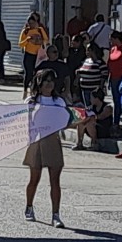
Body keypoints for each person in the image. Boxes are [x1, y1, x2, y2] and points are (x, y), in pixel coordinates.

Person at [23, 69, 68, 228]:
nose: (49, 83)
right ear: (39, 83)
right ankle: (29, 207)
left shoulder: (59, 102)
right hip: (37, 141)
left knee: (55, 180)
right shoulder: (31, 101)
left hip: (53, 141)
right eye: (45, 80)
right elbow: (25, 121)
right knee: (34, 178)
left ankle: (55, 215)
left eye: (51, 80)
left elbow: (66, 120)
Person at [18, 14, 49, 96]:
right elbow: (20, 44)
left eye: (33, 23)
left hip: (38, 55)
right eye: (30, 23)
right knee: (28, 73)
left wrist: (40, 40)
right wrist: (27, 40)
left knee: (37, 73)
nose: (32, 25)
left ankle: (34, 90)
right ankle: (25, 90)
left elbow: (46, 39)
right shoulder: (25, 31)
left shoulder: (40, 30)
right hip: (28, 55)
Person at [107, 31, 122, 127]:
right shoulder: (112, 49)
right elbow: (110, 65)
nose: (110, 41)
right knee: (116, 101)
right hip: (114, 78)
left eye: (112, 39)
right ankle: (115, 122)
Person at [76, 42, 108, 109]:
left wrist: (100, 88)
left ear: (93, 51)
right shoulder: (86, 60)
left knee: (93, 108)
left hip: (93, 90)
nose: (86, 52)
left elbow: (104, 76)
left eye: (88, 50)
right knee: (87, 107)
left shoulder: (100, 63)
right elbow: (81, 70)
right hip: (84, 88)